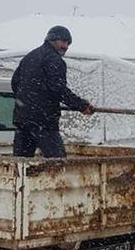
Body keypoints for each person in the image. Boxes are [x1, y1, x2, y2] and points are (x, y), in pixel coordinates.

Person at [11, 25, 94, 158]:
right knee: (58, 164)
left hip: (23, 119)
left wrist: (27, 100)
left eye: (68, 43)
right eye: (63, 41)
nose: (66, 46)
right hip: (44, 121)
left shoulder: (30, 57)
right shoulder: (54, 59)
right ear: (51, 40)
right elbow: (59, 89)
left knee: (21, 165)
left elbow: (15, 83)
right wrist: (81, 105)